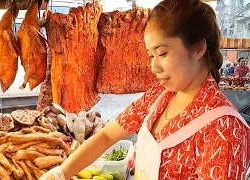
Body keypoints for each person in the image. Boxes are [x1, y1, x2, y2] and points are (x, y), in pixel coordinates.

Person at [40, 0, 250, 179]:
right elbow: (106, 137)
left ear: (198, 48)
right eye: (151, 55)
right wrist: (61, 172)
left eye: (163, 53)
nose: (154, 67)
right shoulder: (160, 96)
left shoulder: (224, 129)